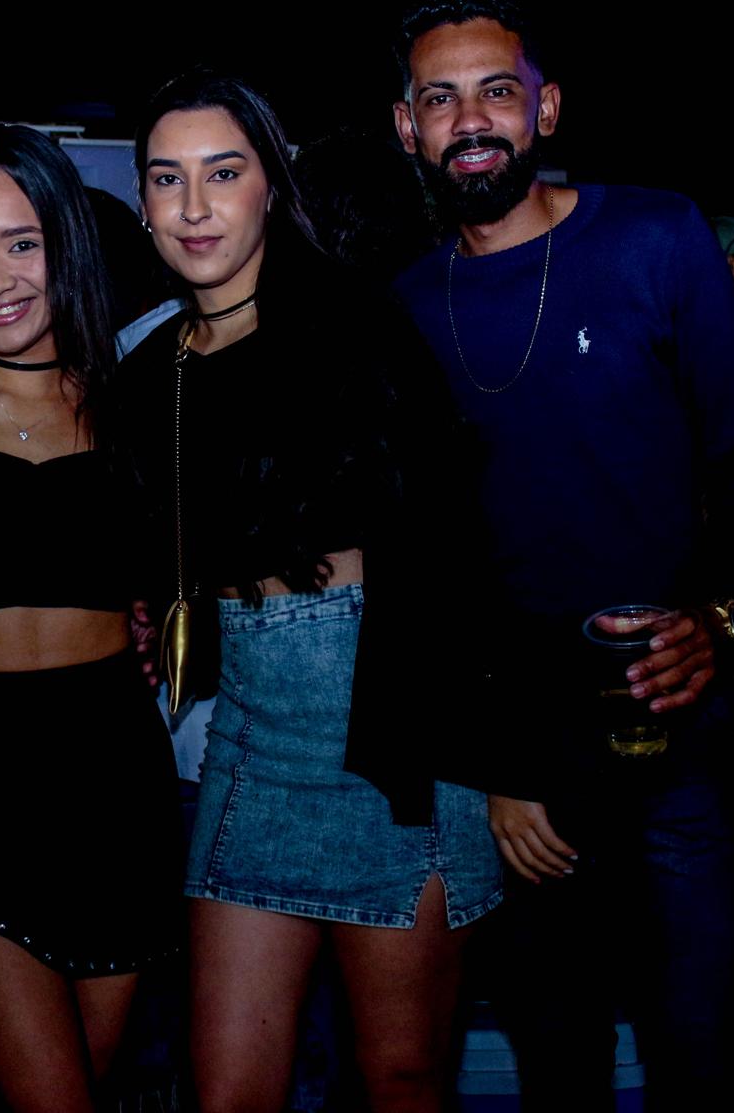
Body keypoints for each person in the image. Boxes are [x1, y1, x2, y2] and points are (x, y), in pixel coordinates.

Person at [387, 0, 734, 1110]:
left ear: (545, 108)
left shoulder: (658, 236)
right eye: (440, 99)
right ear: (406, 127)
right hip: (529, 783)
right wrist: (502, 770)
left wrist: (721, 621)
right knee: (559, 1068)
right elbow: (434, 571)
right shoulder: (405, 307)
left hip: (683, 753)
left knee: (704, 1059)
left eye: (496, 92)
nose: (471, 120)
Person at [117, 69, 502, 1113]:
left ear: (269, 189)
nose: (194, 206)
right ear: (143, 201)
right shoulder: (150, 375)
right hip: (249, 739)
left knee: (401, 1077)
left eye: (222, 173)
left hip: (392, 728)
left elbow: (460, 556)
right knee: (225, 1089)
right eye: (167, 178)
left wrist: (504, 764)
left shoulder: (358, 326)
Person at [0, 124, 180, 1112]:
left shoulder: (137, 409)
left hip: (112, 780)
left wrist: (161, 620)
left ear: (68, 243)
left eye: (21, 243)